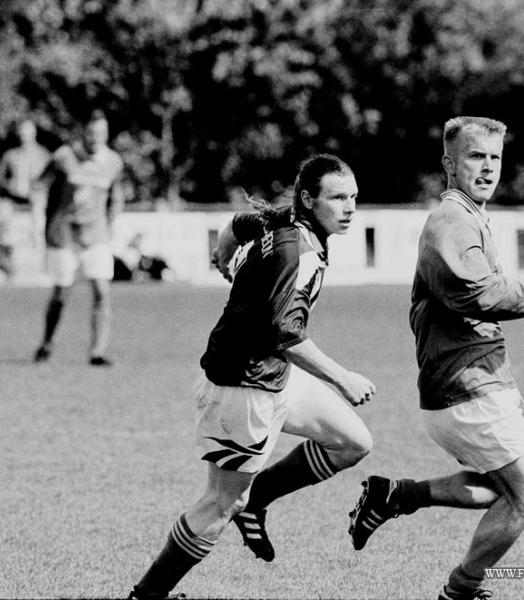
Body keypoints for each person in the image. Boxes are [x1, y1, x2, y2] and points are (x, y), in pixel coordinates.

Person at [348, 116, 524, 600]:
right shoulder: (451, 222)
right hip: (465, 385)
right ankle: (461, 590)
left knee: (496, 489)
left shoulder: (470, 216)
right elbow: (484, 296)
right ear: (449, 164)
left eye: (495, 157)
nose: (488, 167)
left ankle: (396, 495)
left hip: (474, 381)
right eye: (476, 156)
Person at [128, 154, 376, 600]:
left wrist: (223, 253)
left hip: (273, 374)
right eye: (338, 197)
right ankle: (146, 596)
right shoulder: (293, 251)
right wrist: (343, 378)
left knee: (353, 442)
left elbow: (241, 222)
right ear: (308, 199)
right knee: (219, 504)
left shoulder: (291, 222)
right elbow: (284, 333)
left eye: (354, 197)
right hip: (241, 386)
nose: (350, 207)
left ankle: (256, 502)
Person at [33, 110, 124, 366]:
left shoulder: (114, 161)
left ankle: (97, 351)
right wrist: (37, 216)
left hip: (96, 236)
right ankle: (47, 342)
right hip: (64, 235)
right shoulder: (64, 157)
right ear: (83, 132)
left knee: (102, 292)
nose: (97, 138)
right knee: (62, 293)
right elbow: (40, 186)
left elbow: (116, 194)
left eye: (102, 134)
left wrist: (112, 219)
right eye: (93, 133)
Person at [0, 119, 50, 246]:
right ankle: (4, 246)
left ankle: (38, 242)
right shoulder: (10, 155)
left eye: (28, 133)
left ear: (34, 133)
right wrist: (10, 185)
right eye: (22, 133)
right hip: (13, 197)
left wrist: (37, 188)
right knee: (3, 210)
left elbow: (51, 179)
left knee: (39, 210)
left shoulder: (44, 155)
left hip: (37, 198)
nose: (25, 137)